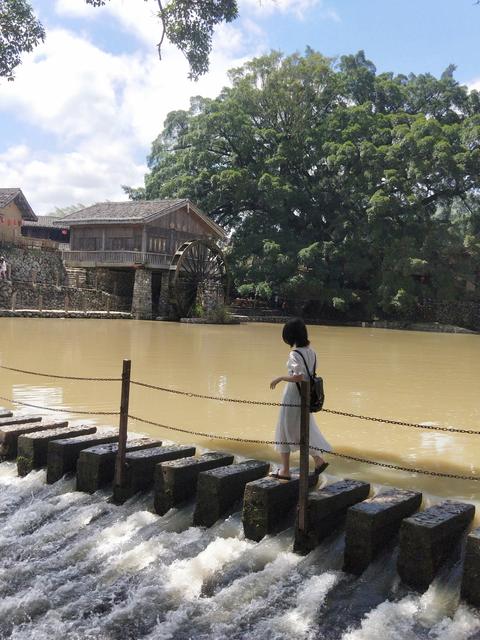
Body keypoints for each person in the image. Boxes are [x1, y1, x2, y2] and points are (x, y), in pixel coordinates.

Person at [270, 317, 332, 480]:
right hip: (305, 396)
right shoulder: (312, 352)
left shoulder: (294, 354)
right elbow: (309, 374)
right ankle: (318, 460)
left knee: (284, 429)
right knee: (305, 428)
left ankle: (285, 471)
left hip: (292, 396)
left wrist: (280, 378)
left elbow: (298, 376)